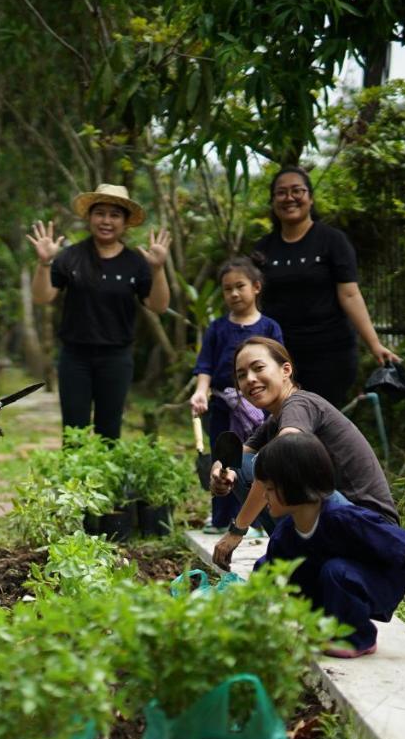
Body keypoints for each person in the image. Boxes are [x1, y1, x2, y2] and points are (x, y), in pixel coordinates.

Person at [252, 432, 405, 658]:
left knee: (336, 571)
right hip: (335, 583)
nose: (264, 496)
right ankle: (322, 626)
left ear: (294, 485)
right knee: (274, 565)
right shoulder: (286, 534)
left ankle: (358, 637)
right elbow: (269, 574)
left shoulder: (342, 517)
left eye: (269, 489)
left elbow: (392, 536)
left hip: (377, 580)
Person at [211, 337, 397, 567]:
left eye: (258, 368)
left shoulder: (300, 404)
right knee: (243, 465)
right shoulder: (275, 420)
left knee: (274, 460)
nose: (249, 379)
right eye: (241, 375)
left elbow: (279, 459)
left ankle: (300, 557)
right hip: (348, 524)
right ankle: (296, 556)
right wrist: (220, 470)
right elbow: (238, 455)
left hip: (373, 532)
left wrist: (237, 530)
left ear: (285, 370)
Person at [27, 184, 171, 439]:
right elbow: (42, 296)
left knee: (109, 432)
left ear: (126, 223)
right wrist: (44, 262)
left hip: (117, 357)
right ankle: (73, 480)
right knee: (74, 432)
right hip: (75, 357)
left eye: (115, 215)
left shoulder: (136, 262)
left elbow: (158, 306)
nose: (106, 221)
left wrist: (158, 269)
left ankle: (105, 481)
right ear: (89, 217)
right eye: (100, 213)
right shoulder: (70, 256)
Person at [253, 166, 399, 407]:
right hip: (280, 356)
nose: (289, 198)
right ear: (272, 201)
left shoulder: (332, 240)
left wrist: (374, 345)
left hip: (331, 353)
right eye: (281, 192)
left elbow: (350, 294)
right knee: (285, 423)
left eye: (297, 191)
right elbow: (255, 302)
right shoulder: (263, 249)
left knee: (321, 422)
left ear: (310, 198)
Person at [190, 257, 283, 532]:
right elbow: (205, 365)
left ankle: (257, 517)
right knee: (223, 458)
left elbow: (278, 367)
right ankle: (220, 519)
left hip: (260, 408)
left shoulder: (269, 327)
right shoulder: (217, 327)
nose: (233, 293)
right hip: (222, 407)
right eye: (227, 288)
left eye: (239, 286)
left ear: (256, 287)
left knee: (260, 460)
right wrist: (200, 392)